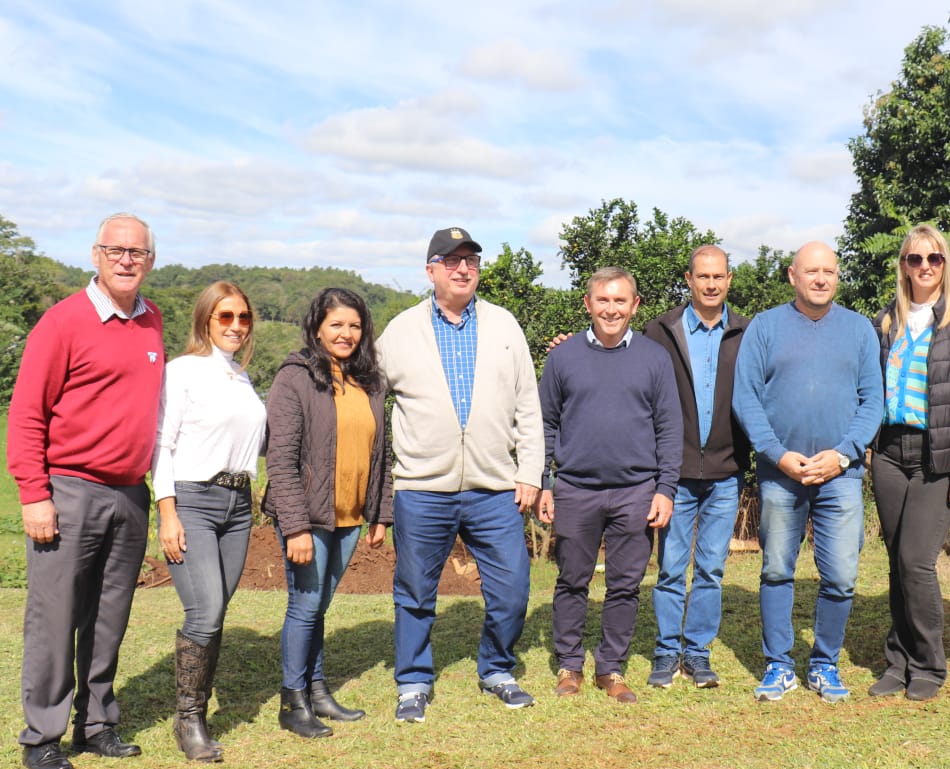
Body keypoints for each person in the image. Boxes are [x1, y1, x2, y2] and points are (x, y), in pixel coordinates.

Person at [7, 212, 164, 769]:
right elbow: (26, 414)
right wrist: (34, 493)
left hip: (129, 493)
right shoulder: (63, 322)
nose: (126, 259)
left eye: (137, 252)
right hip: (69, 490)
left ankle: (96, 723)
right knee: (56, 616)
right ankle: (42, 734)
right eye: (115, 249)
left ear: (150, 260)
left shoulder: (153, 322)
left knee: (108, 618)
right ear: (95, 255)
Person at [376, 227, 544, 724]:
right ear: (430, 271)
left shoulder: (504, 325)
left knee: (513, 588)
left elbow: (528, 407)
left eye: (470, 260)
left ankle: (496, 669)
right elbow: (368, 399)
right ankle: (412, 681)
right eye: (450, 261)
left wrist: (530, 471)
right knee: (414, 590)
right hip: (423, 488)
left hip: (495, 487)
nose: (463, 269)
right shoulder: (401, 330)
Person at [733, 241, 882, 703]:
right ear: (792, 276)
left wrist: (844, 454)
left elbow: (873, 400)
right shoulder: (765, 327)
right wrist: (777, 454)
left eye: (829, 272)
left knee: (841, 575)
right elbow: (746, 397)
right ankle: (779, 665)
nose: (821, 279)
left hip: (841, 474)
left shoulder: (859, 329)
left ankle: (824, 664)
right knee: (777, 569)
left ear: (837, 277)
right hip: (782, 473)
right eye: (811, 271)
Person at [538, 266, 682, 704]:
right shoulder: (562, 359)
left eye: (621, 301)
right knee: (571, 580)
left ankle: (611, 667)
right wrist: (544, 482)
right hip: (576, 489)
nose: (611, 309)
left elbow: (669, 428)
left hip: (636, 490)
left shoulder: (655, 358)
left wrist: (666, 489)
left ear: (635, 306)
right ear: (588, 304)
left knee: (624, 584)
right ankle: (569, 665)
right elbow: (544, 424)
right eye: (603, 300)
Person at [867, 225, 950, 702]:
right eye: (915, 259)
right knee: (896, 563)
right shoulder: (886, 321)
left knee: (916, 562)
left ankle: (928, 664)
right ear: (903, 265)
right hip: (889, 454)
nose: (925, 267)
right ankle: (897, 661)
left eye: (934, 258)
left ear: (946, 265)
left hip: (938, 458)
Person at [262, 288, 392, 738]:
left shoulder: (368, 380)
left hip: (351, 515)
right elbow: (279, 458)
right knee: (305, 605)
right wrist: (295, 527)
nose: (346, 333)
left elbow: (381, 452)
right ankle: (292, 701)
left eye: (354, 325)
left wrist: (381, 512)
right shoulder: (295, 377)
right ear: (317, 326)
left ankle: (317, 692)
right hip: (308, 517)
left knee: (319, 607)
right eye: (336, 324)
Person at [152, 281, 267, 761]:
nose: (236, 326)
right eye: (226, 317)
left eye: (243, 317)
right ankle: (189, 721)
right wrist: (168, 514)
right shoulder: (183, 372)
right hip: (194, 501)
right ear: (205, 320)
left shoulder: (241, 379)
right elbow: (162, 444)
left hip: (238, 506)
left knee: (216, 612)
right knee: (204, 611)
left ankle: (194, 712)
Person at [642, 245, 751, 690]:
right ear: (688, 279)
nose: (711, 284)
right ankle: (667, 653)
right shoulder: (659, 331)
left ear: (729, 280)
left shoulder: (747, 332)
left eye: (718, 276)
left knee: (710, 569)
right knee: (670, 568)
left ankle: (699, 654)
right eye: (702, 276)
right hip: (675, 475)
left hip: (726, 472)